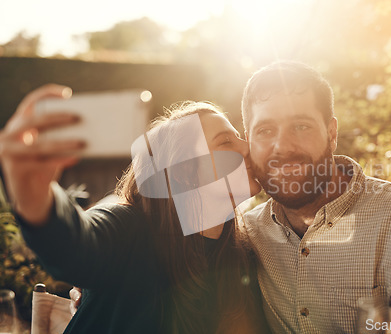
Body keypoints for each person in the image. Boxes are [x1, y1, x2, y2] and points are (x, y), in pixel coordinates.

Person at [239, 61, 391, 333]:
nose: (283, 146)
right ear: (248, 143)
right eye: (264, 131)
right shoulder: (247, 235)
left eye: (301, 126)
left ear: (331, 134)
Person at [0, 84, 269, 334]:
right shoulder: (128, 227)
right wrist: (34, 195)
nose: (247, 147)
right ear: (183, 173)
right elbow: (76, 246)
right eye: (225, 142)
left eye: (238, 136)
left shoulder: (244, 251)